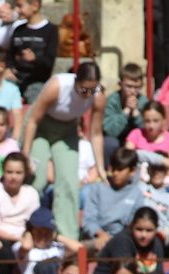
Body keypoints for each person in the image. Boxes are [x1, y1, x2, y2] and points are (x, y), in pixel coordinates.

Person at [22, 62, 106, 241]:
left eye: (92, 90)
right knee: (37, 177)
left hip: (67, 130)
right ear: (76, 81)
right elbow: (33, 121)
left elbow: (96, 133)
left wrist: (100, 167)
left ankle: (67, 236)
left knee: (69, 181)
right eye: (84, 90)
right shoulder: (57, 86)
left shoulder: (98, 96)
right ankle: (28, 230)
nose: (87, 95)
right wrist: (26, 155)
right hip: (40, 128)